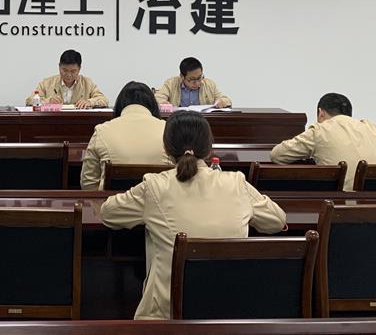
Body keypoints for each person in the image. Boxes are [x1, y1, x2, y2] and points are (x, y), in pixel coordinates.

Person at [101, 111, 286, 320]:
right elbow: (277, 220)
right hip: (229, 313)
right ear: (209, 149)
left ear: (166, 148)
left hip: (166, 315)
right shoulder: (236, 183)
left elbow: (108, 213)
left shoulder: (155, 186)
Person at [270, 92, 376, 190]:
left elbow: (277, 155)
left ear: (321, 113)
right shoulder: (374, 128)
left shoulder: (320, 130)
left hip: (340, 208)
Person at [80, 81, 171, 190]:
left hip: (113, 200)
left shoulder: (102, 130)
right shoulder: (167, 129)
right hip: (158, 199)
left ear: (119, 105)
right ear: (153, 105)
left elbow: (88, 183)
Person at [25, 49, 108, 108]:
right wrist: (48, 101)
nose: (69, 75)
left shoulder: (87, 83)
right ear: (59, 67)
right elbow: (29, 101)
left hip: (79, 122)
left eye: (73, 71)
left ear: (79, 69)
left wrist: (89, 102)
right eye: (65, 70)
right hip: (52, 122)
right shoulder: (47, 83)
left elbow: (104, 100)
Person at [154, 57, 232, 108]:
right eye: (192, 79)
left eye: (199, 78)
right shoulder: (171, 83)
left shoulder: (209, 84)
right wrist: (164, 103)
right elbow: (157, 99)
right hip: (178, 121)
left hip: (202, 121)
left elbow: (226, 100)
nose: (197, 83)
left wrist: (221, 102)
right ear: (182, 76)